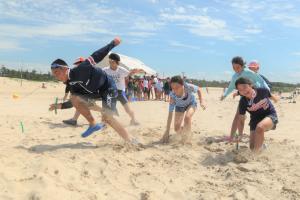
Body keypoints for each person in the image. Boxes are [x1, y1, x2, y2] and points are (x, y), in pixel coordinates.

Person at [50, 37, 138, 145]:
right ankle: (93, 124)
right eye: (54, 74)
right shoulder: (70, 83)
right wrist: (59, 106)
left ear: (64, 69)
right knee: (74, 98)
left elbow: (97, 55)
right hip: (95, 92)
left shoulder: (81, 69)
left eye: (57, 72)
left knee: (108, 118)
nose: (56, 76)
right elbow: (73, 103)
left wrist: (113, 43)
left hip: (108, 88)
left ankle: (130, 140)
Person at [220, 56, 271, 142]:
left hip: (256, 95)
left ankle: (259, 137)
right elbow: (231, 86)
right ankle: (233, 137)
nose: (235, 69)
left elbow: (261, 81)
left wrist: (268, 92)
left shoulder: (249, 72)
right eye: (233, 68)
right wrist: (225, 95)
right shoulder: (235, 76)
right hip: (245, 97)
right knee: (238, 116)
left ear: (242, 66)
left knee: (258, 117)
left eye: (237, 67)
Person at [235, 77, 279, 152]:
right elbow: (241, 120)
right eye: (240, 90)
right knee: (252, 147)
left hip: (269, 115)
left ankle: (255, 156)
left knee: (260, 127)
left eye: (245, 87)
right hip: (255, 119)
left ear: (251, 85)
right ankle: (262, 146)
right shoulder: (243, 102)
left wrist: (276, 99)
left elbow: (271, 96)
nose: (244, 91)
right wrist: (240, 135)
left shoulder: (262, 91)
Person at [161, 76, 206, 144]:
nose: (175, 90)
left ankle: (187, 138)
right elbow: (170, 114)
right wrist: (167, 131)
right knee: (176, 128)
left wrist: (201, 101)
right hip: (179, 107)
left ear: (182, 85)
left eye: (177, 87)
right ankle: (185, 133)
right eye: (173, 88)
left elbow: (199, 89)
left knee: (187, 118)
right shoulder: (172, 96)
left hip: (191, 103)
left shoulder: (188, 86)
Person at [103, 53, 142, 125]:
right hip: (110, 91)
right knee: (108, 108)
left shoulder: (121, 70)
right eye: (110, 61)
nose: (111, 62)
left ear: (117, 62)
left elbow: (129, 73)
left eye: (113, 61)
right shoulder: (105, 70)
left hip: (120, 91)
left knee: (127, 108)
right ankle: (105, 122)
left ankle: (133, 120)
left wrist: (134, 71)